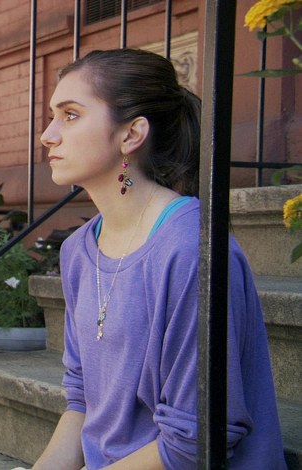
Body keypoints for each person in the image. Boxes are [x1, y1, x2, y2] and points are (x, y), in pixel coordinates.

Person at [33, 49, 286, 469]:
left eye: (70, 115)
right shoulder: (77, 250)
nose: (48, 135)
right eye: (52, 116)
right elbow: (81, 398)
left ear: (132, 134)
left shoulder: (190, 248)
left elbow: (194, 440)